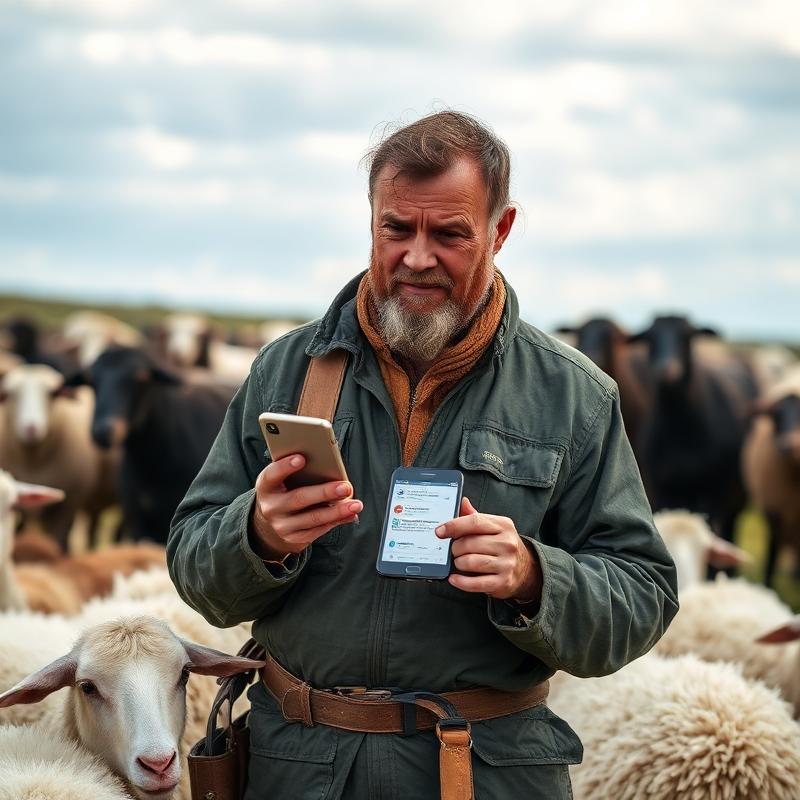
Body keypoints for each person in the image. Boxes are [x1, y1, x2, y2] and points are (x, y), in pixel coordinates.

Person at [167, 110, 679, 799]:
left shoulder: (573, 397)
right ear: (371, 219)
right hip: (298, 770)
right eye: (396, 228)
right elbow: (195, 567)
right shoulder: (286, 371)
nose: (416, 257)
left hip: (484, 774)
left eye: (448, 234)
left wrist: (534, 577)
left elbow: (642, 595)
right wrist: (256, 534)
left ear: (500, 231)